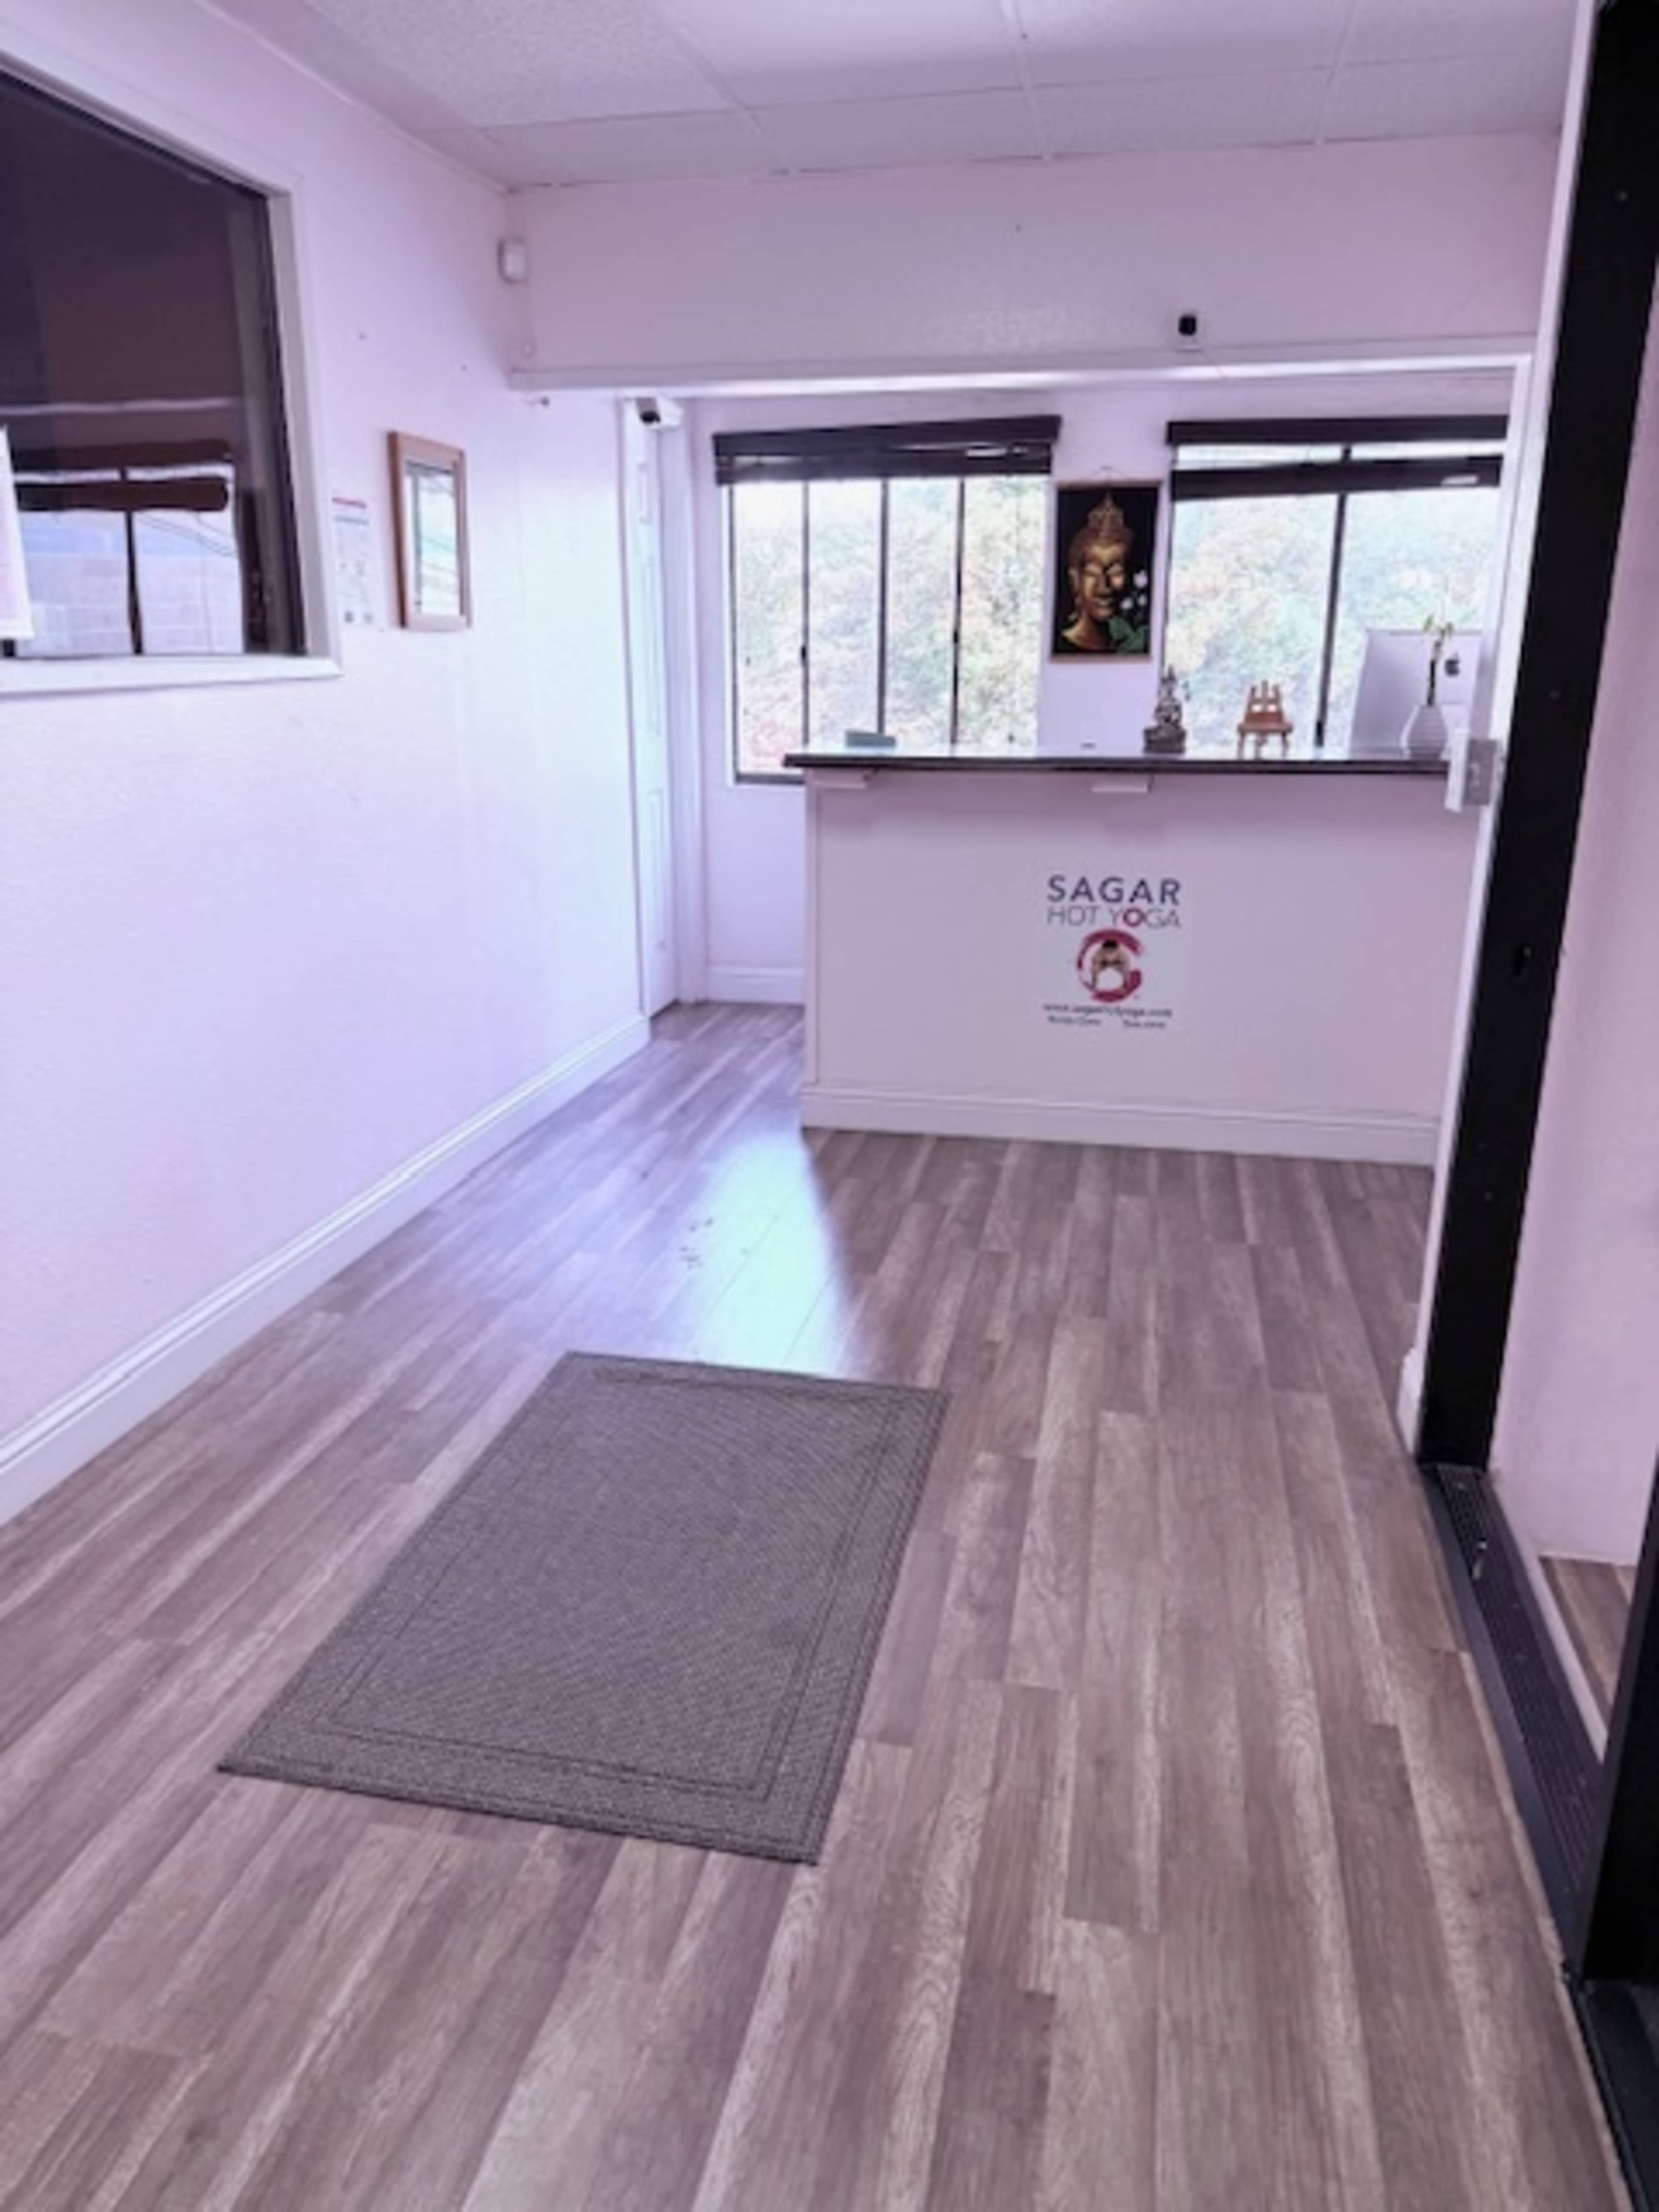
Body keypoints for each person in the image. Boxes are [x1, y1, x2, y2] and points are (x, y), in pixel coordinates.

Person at [1059, 494, 1135, 653]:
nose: (1104, 586)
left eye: (1116, 572)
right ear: (1075, 579)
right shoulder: (1063, 646)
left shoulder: (1132, 644)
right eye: (1092, 573)